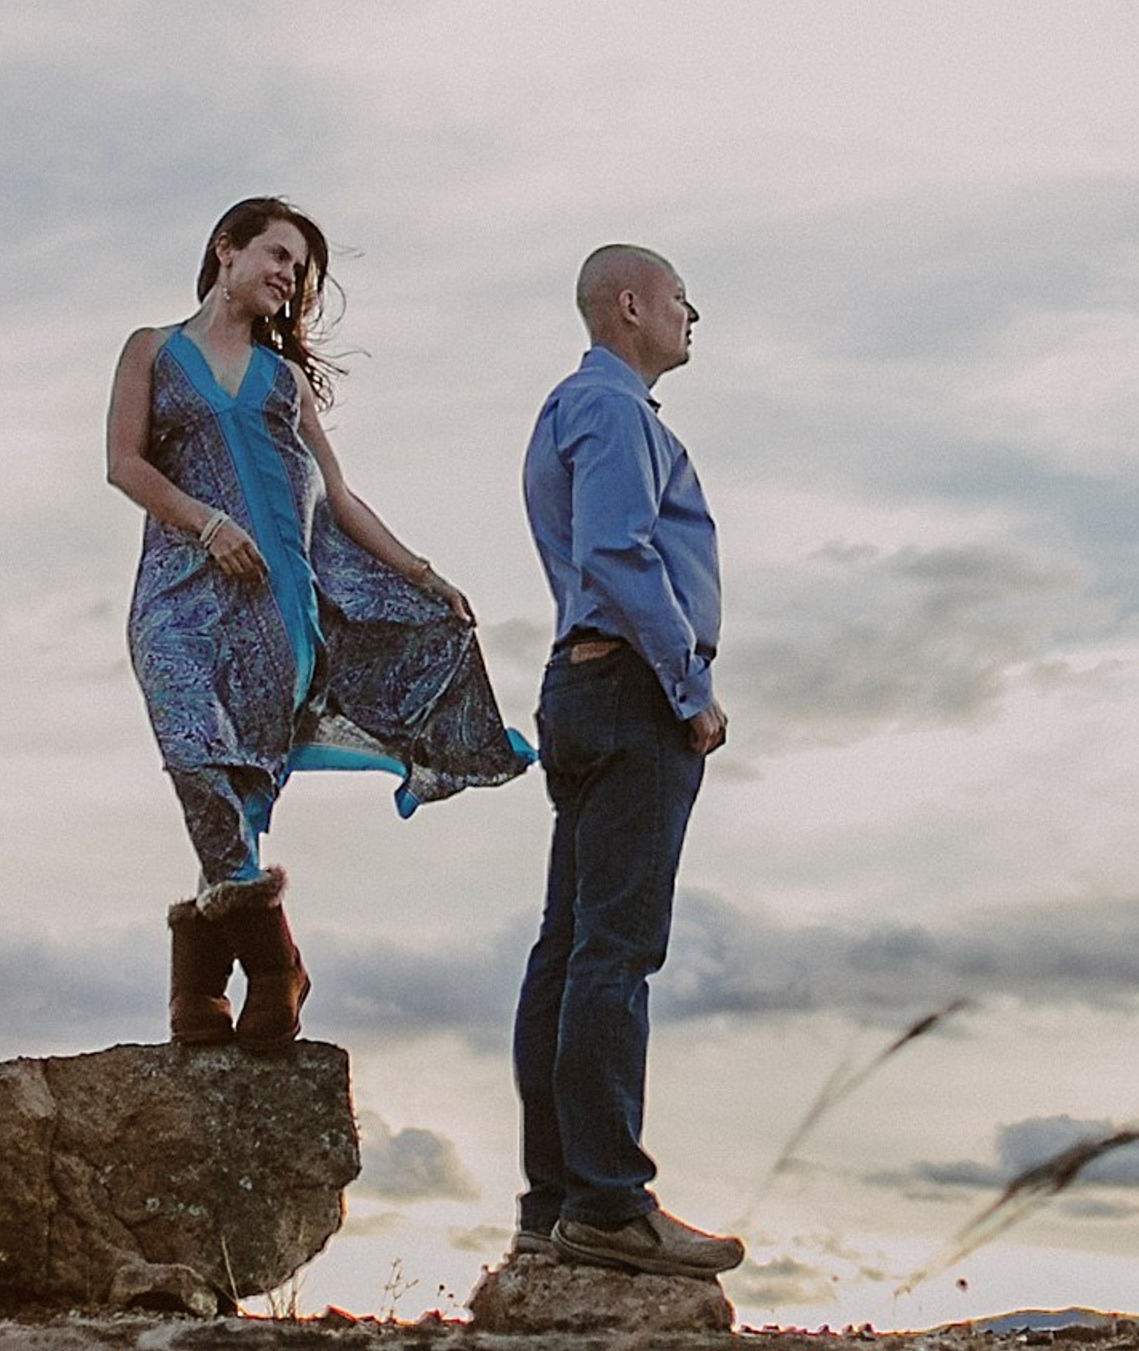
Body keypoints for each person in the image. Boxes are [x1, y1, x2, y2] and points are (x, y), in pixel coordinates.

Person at [108, 195, 531, 1051]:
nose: (289, 277)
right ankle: (275, 963)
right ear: (225, 250)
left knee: (241, 791)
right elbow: (123, 464)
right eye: (277, 255)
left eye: (299, 270)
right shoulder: (152, 350)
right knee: (195, 754)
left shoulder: (285, 380)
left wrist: (419, 571)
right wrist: (207, 523)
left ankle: (198, 992)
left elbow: (336, 495)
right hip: (178, 598)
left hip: (279, 610)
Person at [510, 244, 743, 1279]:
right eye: (686, 302)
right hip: (629, 689)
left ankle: (555, 1202)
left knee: (568, 948)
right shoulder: (610, 413)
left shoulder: (575, 409)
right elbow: (616, 549)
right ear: (633, 304)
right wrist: (689, 688)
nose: (694, 319)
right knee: (614, 950)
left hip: (586, 683)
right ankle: (608, 1203)